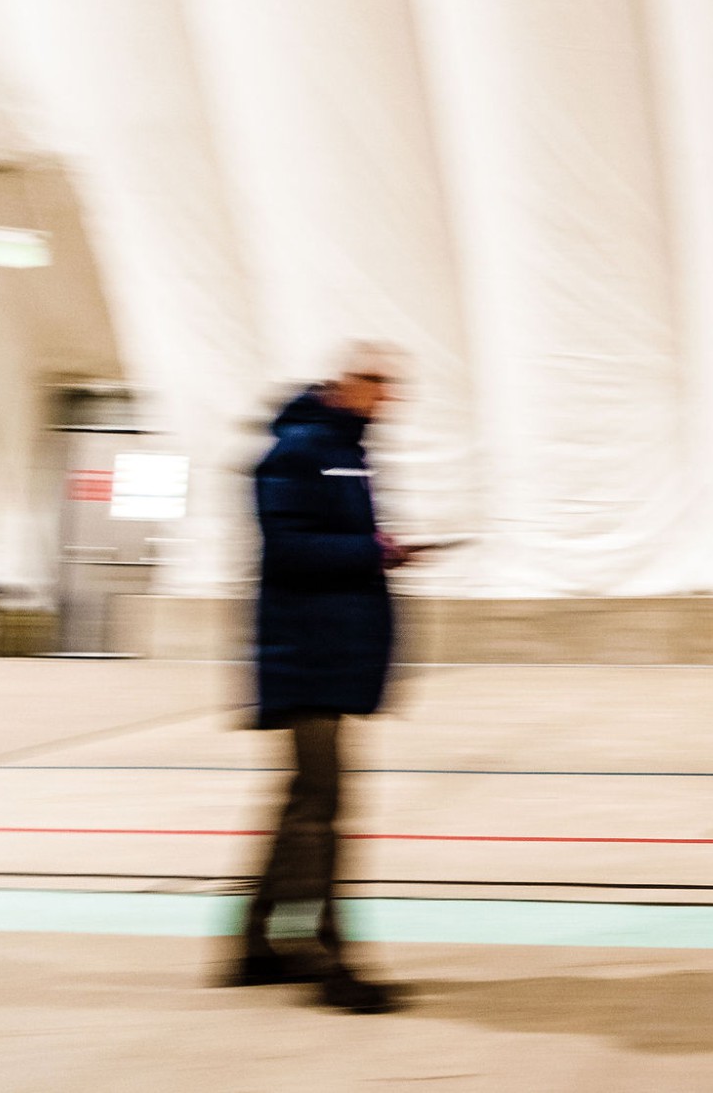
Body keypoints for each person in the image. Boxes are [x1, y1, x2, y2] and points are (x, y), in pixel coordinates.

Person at [224, 344, 412, 1013]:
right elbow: (288, 547)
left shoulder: (342, 450)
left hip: (327, 653)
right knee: (321, 809)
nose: (387, 396)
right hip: (305, 657)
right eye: (377, 382)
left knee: (304, 804)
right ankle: (327, 958)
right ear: (344, 382)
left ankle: (252, 946)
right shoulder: (300, 449)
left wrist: (376, 549)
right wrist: (371, 549)